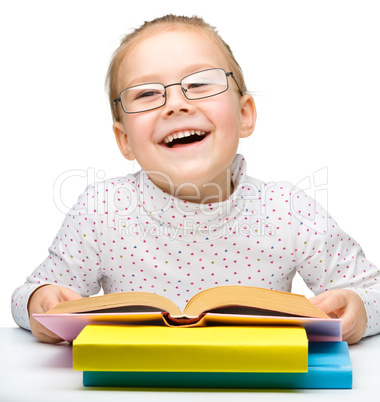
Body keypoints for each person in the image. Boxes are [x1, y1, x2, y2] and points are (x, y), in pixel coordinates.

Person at [12, 14, 379, 344]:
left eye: (200, 84)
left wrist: (358, 309)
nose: (175, 104)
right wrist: (37, 304)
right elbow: (28, 296)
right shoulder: (103, 210)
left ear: (245, 114)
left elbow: (371, 291)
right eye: (147, 93)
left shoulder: (287, 210)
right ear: (125, 140)